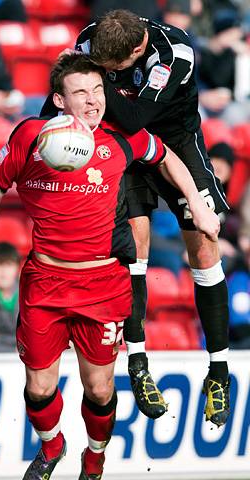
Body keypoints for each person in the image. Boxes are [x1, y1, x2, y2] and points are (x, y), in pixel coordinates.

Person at [0, 53, 220, 479]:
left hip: (102, 281)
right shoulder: (30, 136)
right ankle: (51, 446)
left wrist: (201, 209)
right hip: (45, 279)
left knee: (99, 387)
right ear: (59, 99)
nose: (93, 101)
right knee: (38, 388)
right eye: (81, 92)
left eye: (98, 91)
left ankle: (94, 458)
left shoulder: (121, 137)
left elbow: (167, 156)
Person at [70, 8, 231, 427]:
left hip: (176, 139)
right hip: (125, 145)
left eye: (114, 69)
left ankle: (218, 370)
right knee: (133, 249)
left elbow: (138, 116)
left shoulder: (174, 53)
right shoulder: (92, 39)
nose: (105, 72)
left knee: (204, 247)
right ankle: (138, 363)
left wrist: (101, 89)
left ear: (138, 47)